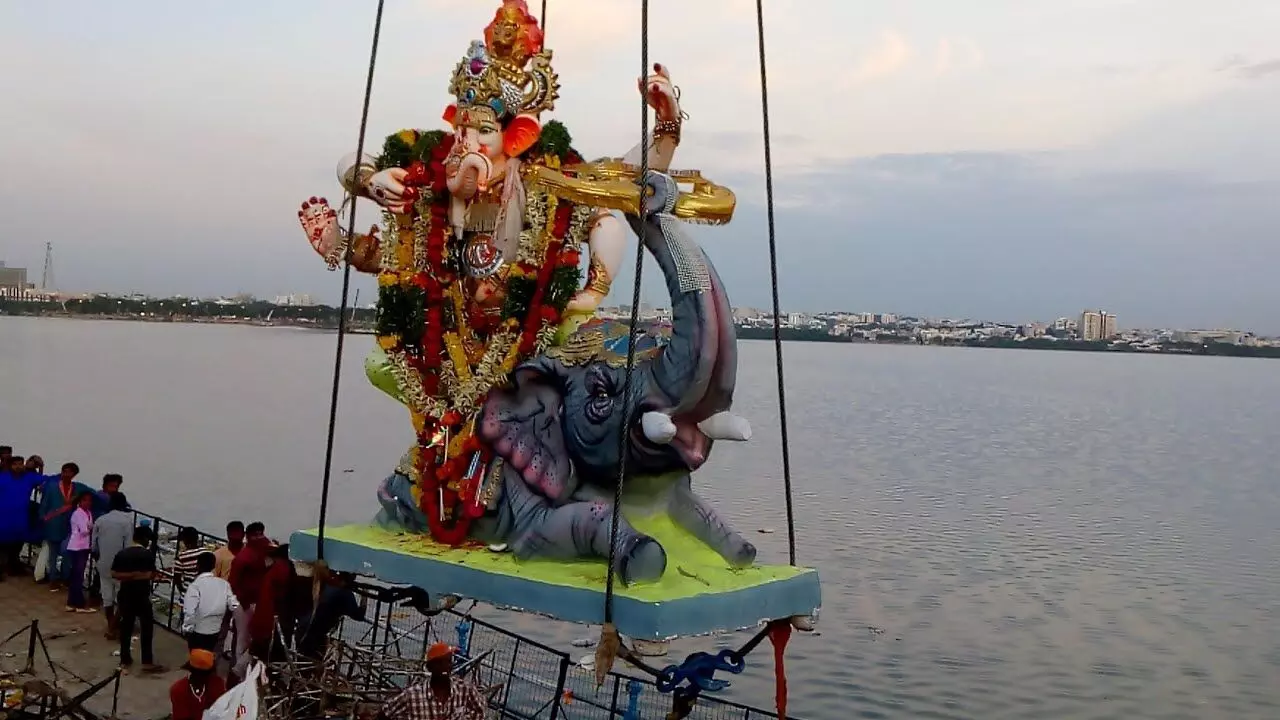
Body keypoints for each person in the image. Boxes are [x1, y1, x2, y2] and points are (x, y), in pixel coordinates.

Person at [378, 643, 488, 720]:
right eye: (439, 663)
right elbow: (385, 713)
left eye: (448, 662)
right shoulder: (412, 696)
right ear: (429, 667)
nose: (445, 667)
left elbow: (481, 710)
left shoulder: (465, 689)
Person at [112, 524, 165, 673]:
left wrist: (130, 576)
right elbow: (150, 574)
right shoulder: (147, 555)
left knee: (126, 627)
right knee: (147, 628)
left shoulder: (122, 553)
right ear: (144, 539)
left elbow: (114, 573)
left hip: (125, 594)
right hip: (142, 595)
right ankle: (147, 660)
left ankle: (125, 658)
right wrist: (138, 575)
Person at [37, 462, 92, 590]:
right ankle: (53, 579)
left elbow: (91, 493)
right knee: (53, 553)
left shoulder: (77, 488)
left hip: (70, 526)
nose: (66, 474)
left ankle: (65, 577)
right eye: (64, 471)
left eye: (70, 472)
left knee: (68, 553)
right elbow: (44, 504)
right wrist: (43, 518)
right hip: (53, 523)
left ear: (74, 474)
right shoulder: (52, 487)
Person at [227, 522, 268, 678]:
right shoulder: (243, 558)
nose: (259, 537)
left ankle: (248, 671)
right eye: (256, 534)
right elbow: (233, 583)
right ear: (249, 536)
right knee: (242, 639)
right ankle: (239, 674)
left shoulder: (263, 551)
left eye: (261, 533)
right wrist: (242, 603)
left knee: (255, 639)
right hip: (244, 603)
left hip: (258, 602)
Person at [93, 492, 135, 639]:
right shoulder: (126, 522)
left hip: (103, 562)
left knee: (107, 596)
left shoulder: (100, 520)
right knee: (123, 597)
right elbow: (128, 546)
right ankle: (113, 627)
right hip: (120, 565)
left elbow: (94, 546)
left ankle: (111, 623)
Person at [298, 571, 366, 660]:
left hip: (304, 627)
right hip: (314, 634)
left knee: (303, 662)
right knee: (313, 663)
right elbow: (359, 616)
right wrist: (364, 599)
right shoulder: (345, 594)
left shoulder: (329, 586)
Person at [182, 552, 239, 652]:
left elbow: (190, 611)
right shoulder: (224, 584)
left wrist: (187, 629)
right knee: (208, 656)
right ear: (213, 566)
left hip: (198, 631)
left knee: (197, 658)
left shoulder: (195, 586)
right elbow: (234, 605)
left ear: (197, 566)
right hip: (215, 631)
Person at [0, 455, 43, 580]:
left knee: (16, 545)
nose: (18, 467)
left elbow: (44, 480)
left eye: (20, 464)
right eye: (15, 464)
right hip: (3, 518)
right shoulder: (2, 478)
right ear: (10, 466)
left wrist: (41, 467)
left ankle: (13, 568)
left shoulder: (28, 478)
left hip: (19, 520)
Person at [169, 649, 227, 720]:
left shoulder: (217, 683)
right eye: (208, 673)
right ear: (194, 672)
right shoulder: (178, 689)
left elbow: (221, 711)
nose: (213, 674)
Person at [64, 492, 96, 613]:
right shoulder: (78, 514)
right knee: (77, 575)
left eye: (89, 501)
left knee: (77, 574)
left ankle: (72, 602)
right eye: (84, 500)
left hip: (84, 546)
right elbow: (83, 531)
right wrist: (91, 528)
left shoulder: (88, 513)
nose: (87, 503)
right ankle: (78, 603)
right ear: (80, 501)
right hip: (77, 546)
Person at [173, 526, 203, 591]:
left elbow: (177, 578)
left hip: (188, 592)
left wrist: (181, 589)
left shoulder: (181, 557)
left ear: (184, 541)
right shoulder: (207, 552)